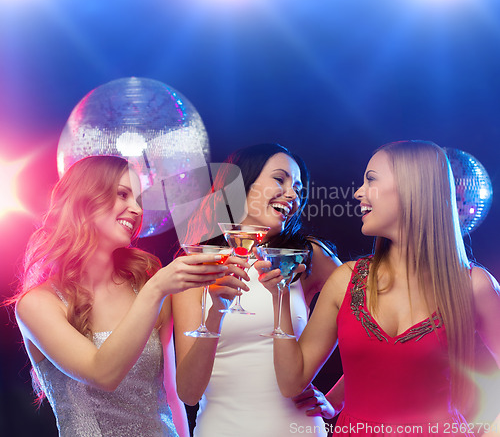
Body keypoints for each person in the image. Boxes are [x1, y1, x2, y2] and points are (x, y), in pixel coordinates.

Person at [260, 140, 500, 436]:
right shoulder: (345, 280)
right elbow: (291, 382)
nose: (359, 192)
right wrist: (280, 296)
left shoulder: (474, 284)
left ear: (414, 188)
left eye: (371, 179)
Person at [11, 155, 229, 437]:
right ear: (84, 200)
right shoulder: (37, 304)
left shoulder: (145, 279)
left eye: (138, 199)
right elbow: (102, 374)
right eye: (123, 195)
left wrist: (215, 310)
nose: (137, 209)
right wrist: (156, 290)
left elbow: (172, 394)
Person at [172, 143, 343, 437]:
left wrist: (337, 401)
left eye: (299, 188)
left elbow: (375, 327)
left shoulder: (307, 256)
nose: (293, 194)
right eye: (280, 179)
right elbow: (188, 392)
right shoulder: (197, 264)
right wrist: (216, 314)